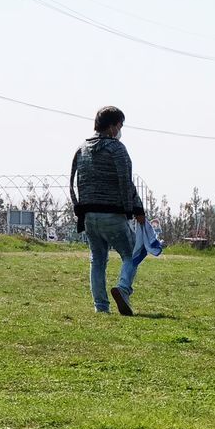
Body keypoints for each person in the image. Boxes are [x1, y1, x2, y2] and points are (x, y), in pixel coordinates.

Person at [69, 105, 146, 316]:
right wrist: (135, 209)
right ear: (112, 126)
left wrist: (80, 210)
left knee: (97, 259)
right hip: (113, 213)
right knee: (131, 254)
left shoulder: (81, 149)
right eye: (120, 125)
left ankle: (101, 307)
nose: (120, 130)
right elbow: (126, 182)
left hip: (89, 215)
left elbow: (74, 182)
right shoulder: (117, 149)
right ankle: (123, 289)